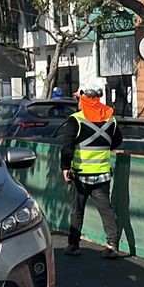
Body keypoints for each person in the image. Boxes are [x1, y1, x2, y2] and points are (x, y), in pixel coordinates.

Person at [58, 86, 123, 258]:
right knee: (106, 210)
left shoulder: (76, 120)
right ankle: (112, 245)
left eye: (79, 99)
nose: (78, 101)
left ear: (84, 100)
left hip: (80, 175)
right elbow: (116, 141)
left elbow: (67, 147)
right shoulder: (110, 119)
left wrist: (65, 167)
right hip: (102, 174)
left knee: (77, 210)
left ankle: (73, 245)